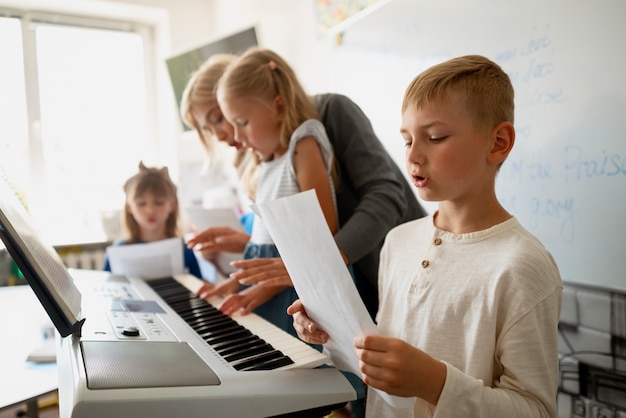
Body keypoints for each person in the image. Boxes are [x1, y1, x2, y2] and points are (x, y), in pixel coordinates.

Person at [288, 55, 563, 417]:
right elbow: (381, 366)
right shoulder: (397, 242)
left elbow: (536, 409)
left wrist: (435, 383)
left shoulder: (522, 266)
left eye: (435, 137)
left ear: (498, 142)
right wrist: (328, 329)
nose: (414, 155)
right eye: (407, 140)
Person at [182, 54, 428, 320]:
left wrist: (318, 263)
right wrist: (247, 244)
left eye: (220, 118)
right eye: (209, 129)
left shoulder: (330, 113)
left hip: (397, 274)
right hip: (339, 282)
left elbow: (386, 196)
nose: (221, 134)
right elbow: (298, 238)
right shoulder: (262, 156)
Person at [195, 46, 339, 340]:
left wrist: (262, 287)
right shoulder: (267, 162)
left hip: (295, 292)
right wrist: (237, 283)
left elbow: (322, 238)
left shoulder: (303, 145)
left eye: (243, 123)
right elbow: (263, 245)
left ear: (279, 106)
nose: (236, 137)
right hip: (269, 287)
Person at [103, 161, 203, 279]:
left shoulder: (184, 250)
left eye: (159, 203)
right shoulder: (118, 250)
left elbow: (199, 287)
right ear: (129, 207)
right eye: (141, 204)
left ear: (172, 205)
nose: (150, 210)